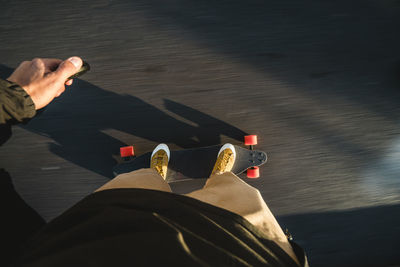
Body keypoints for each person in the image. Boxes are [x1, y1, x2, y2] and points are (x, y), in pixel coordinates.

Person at [1, 57, 308, 266]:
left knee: (134, 194)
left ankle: (152, 176)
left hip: (85, 249)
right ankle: (221, 176)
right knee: (235, 208)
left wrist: (15, 99)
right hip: (230, 253)